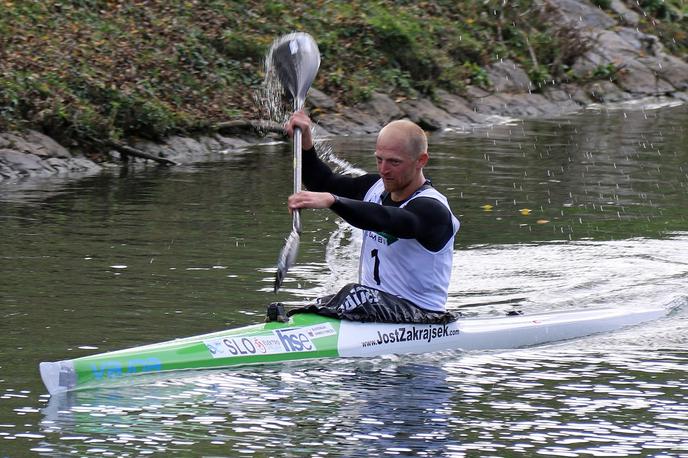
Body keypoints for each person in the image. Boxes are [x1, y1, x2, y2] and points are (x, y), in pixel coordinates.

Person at [284, 111, 460, 320]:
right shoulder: (374, 188)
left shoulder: (433, 210)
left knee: (353, 293)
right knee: (321, 304)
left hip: (423, 316)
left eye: (394, 162)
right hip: (374, 308)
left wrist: (333, 200)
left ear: (421, 160)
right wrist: (305, 142)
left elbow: (386, 218)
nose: (384, 170)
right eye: (379, 160)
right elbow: (323, 181)